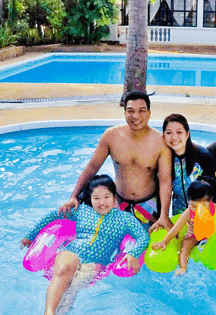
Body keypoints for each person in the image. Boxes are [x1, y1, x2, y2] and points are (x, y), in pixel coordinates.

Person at [21, 174, 149, 315]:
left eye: (106, 197)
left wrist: (133, 253)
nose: (102, 202)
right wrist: (29, 237)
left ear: (114, 197)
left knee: (72, 288)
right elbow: (53, 216)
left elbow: (143, 237)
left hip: (96, 262)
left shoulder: (124, 219)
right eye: (96, 198)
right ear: (90, 198)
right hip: (73, 252)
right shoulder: (81, 211)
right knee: (65, 269)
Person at [60, 91, 173, 232]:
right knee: (114, 244)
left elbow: (165, 181)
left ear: (149, 113)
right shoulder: (111, 136)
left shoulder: (160, 141)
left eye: (141, 111)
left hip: (149, 205)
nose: (136, 116)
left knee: (147, 246)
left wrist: (164, 215)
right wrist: (73, 197)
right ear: (124, 113)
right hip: (119, 202)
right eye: (130, 111)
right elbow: (92, 167)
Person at [151, 178, 215, 276]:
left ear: (210, 200)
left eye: (202, 206)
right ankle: (182, 268)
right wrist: (164, 241)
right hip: (193, 235)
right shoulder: (188, 213)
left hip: (210, 234)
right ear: (188, 202)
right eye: (193, 206)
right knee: (185, 247)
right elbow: (176, 228)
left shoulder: (215, 208)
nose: (198, 210)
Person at [162, 113, 215, 216]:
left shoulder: (201, 155)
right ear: (163, 135)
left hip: (201, 213)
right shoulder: (164, 158)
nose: (174, 137)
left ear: (187, 134)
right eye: (169, 132)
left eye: (179, 132)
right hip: (178, 214)